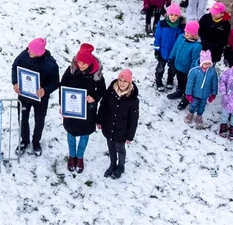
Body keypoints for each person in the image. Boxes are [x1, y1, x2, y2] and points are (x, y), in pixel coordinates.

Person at [11, 37, 61, 156]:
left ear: (38, 53)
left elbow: (55, 82)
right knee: (22, 118)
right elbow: (14, 66)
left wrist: (45, 90)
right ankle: (24, 141)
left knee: (39, 120)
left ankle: (36, 142)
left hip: (41, 99)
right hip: (24, 95)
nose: (28, 51)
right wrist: (15, 82)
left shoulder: (51, 64)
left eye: (31, 50)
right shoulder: (24, 55)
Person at [60, 43, 105, 174]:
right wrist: (62, 106)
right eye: (79, 62)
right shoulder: (71, 70)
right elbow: (62, 86)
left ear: (90, 62)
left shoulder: (96, 74)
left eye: (84, 63)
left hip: (87, 111)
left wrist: (94, 98)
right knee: (71, 133)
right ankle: (72, 156)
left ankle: (80, 157)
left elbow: (102, 90)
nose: (81, 65)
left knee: (84, 135)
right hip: (71, 108)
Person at [97, 69, 139, 178]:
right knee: (111, 147)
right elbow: (103, 106)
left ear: (129, 83)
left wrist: (130, 135)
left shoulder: (133, 100)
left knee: (120, 149)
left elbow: (134, 119)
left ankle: (121, 166)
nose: (122, 83)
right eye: (120, 80)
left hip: (122, 131)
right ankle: (112, 164)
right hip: (108, 126)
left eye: (125, 81)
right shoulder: (110, 92)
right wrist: (100, 120)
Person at [168, 21, 203, 107]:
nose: (186, 34)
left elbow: (195, 61)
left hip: (187, 70)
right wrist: (171, 58)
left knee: (188, 85)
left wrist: (191, 72)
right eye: (186, 31)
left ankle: (186, 97)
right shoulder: (180, 37)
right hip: (177, 66)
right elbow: (175, 48)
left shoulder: (197, 46)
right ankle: (179, 91)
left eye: (189, 33)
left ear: (194, 34)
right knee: (180, 80)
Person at [153, 4, 185, 91]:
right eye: (171, 15)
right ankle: (158, 80)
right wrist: (157, 50)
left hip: (174, 52)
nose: (173, 17)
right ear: (167, 14)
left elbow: (182, 40)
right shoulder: (162, 24)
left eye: (175, 15)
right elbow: (158, 38)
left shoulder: (181, 26)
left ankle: (170, 79)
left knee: (173, 68)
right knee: (160, 68)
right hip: (163, 51)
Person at [184, 51, 218, 129]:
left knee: (202, 106)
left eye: (209, 64)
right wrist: (188, 93)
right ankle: (191, 113)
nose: (207, 66)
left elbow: (214, 83)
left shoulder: (212, 72)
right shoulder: (194, 71)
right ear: (201, 62)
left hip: (205, 94)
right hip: (195, 94)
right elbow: (190, 84)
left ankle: (199, 116)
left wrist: (213, 93)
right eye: (205, 63)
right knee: (193, 104)